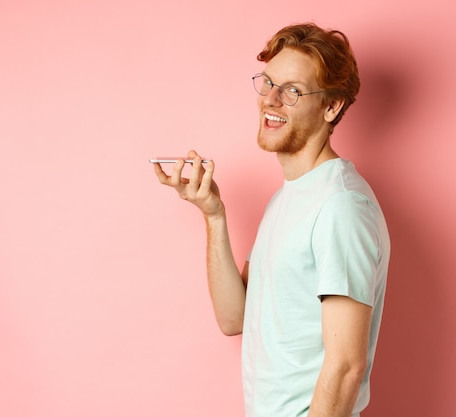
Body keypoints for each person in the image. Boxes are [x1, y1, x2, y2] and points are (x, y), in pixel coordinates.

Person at [152, 23, 390, 417]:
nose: (271, 100)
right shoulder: (287, 199)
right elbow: (234, 317)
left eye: (293, 90)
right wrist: (214, 214)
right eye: (268, 83)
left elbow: (347, 367)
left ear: (331, 107)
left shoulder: (341, 206)